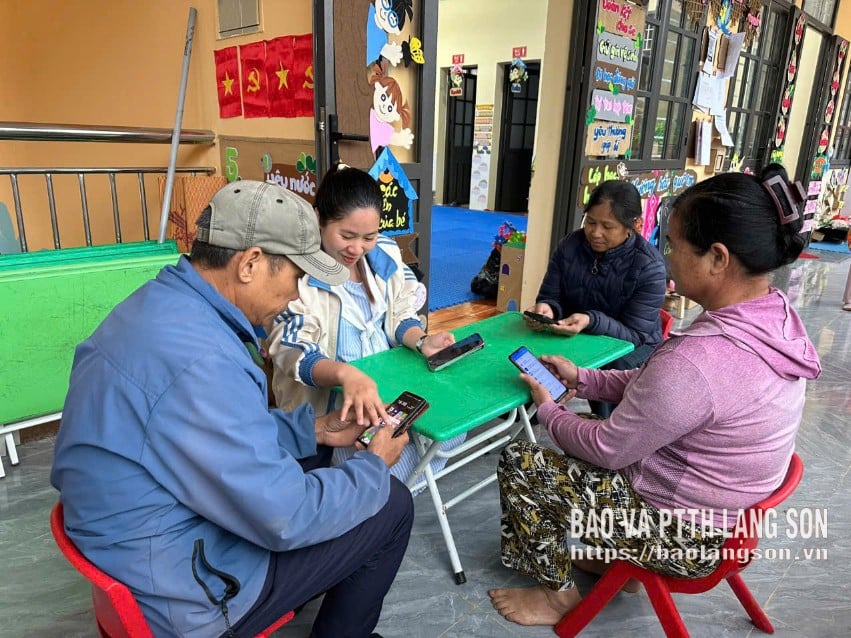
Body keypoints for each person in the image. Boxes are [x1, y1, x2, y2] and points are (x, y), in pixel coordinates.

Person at [51, 181, 414, 638]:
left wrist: (316, 429)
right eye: (297, 278)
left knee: (314, 459)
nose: (296, 294)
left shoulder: (154, 308)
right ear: (250, 264)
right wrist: (374, 465)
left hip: (133, 538)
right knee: (389, 503)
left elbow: (206, 431)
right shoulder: (206, 362)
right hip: (182, 592)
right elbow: (286, 517)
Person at [489, 164, 821, 627]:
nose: (668, 258)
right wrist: (582, 378)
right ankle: (618, 564)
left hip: (683, 538)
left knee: (525, 462)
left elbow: (608, 448)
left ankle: (556, 595)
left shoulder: (699, 359)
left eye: (675, 246)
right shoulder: (773, 319)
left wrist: (548, 408)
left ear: (718, 258)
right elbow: (656, 383)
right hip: (729, 522)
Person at [268, 165, 465, 486]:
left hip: (387, 394)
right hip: (337, 416)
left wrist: (420, 340)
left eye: (368, 237)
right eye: (346, 236)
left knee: (450, 432)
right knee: (393, 470)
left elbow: (400, 313)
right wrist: (347, 376)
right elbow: (293, 349)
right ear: (319, 219)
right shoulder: (298, 276)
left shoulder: (384, 255)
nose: (357, 248)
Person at [525, 179, 667, 417]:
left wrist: (591, 321)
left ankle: (604, 433)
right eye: (590, 222)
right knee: (534, 358)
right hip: (575, 335)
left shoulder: (649, 267)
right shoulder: (570, 245)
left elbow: (635, 334)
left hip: (632, 345)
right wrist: (547, 310)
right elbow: (550, 294)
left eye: (607, 226)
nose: (595, 233)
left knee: (612, 369)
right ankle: (534, 416)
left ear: (634, 225)